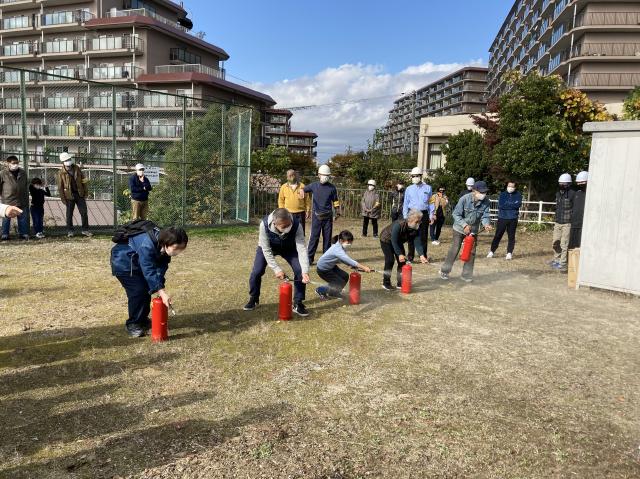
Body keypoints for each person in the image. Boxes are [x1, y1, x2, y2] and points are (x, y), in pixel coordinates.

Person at [111, 223, 188, 337]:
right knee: (138, 292)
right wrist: (161, 292)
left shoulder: (164, 245)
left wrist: (159, 286)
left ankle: (142, 319)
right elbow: (149, 269)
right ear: (166, 244)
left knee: (147, 289)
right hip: (124, 262)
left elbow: (161, 268)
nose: (178, 252)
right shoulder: (147, 244)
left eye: (181, 248)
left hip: (137, 261)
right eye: (176, 248)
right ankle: (133, 324)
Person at [244, 208, 311, 316]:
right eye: (284, 227)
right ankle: (254, 298)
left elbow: (302, 248)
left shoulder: (297, 225)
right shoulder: (264, 225)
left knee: (299, 270)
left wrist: (305, 271)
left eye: (289, 225)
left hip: (289, 248)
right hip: (268, 247)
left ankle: (298, 303)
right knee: (257, 271)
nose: (288, 228)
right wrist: (276, 269)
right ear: (275, 224)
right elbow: (266, 250)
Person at [439, 180, 492, 282]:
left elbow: (485, 215)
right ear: (474, 191)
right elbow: (456, 214)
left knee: (471, 252)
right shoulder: (464, 199)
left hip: (473, 230)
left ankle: (466, 275)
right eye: (481, 192)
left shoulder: (486, 202)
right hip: (459, 228)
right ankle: (444, 271)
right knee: (455, 248)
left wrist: (486, 224)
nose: (483, 194)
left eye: (485, 192)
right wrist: (464, 225)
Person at [379, 209, 428, 290]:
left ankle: (400, 283)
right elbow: (393, 241)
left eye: (420, 221)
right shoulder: (399, 225)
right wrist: (399, 254)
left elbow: (418, 242)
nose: (419, 223)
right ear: (410, 220)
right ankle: (386, 283)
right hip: (386, 240)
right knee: (390, 260)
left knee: (402, 262)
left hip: (398, 242)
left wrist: (421, 255)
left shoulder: (416, 228)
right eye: (417, 221)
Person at [301, 164, 340, 264]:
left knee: (327, 238)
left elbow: (335, 201)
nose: (325, 177)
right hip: (316, 217)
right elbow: (304, 189)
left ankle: (325, 259)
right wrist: (301, 191)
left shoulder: (332, 188)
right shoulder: (314, 185)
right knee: (314, 237)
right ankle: (309, 259)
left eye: (327, 175)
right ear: (318, 175)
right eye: (323, 174)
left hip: (328, 217)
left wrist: (337, 211)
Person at [315, 230, 371, 299]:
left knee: (345, 276)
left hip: (331, 267)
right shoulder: (337, 249)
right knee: (338, 282)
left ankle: (333, 293)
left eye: (351, 242)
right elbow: (348, 260)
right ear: (341, 240)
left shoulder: (341, 246)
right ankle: (320, 290)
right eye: (348, 242)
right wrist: (364, 267)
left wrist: (350, 265)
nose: (350, 244)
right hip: (323, 269)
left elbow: (342, 259)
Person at [56, 152, 92, 237]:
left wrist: (86, 192)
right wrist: (63, 199)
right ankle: (70, 231)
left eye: (69, 159)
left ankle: (85, 230)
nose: (69, 161)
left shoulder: (77, 168)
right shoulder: (60, 173)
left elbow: (84, 181)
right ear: (63, 162)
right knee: (69, 214)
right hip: (69, 196)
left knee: (84, 212)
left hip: (80, 194)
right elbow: (60, 187)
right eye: (66, 160)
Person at [402, 167, 434, 261]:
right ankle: (410, 256)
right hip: (412, 213)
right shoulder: (408, 189)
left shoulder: (428, 188)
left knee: (423, 235)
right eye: (413, 176)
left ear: (421, 176)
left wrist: (431, 215)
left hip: (424, 214)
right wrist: (405, 216)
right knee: (411, 235)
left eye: (416, 176)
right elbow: (405, 203)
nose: (415, 177)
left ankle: (423, 256)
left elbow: (431, 202)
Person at [488, 181, 522, 260]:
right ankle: (492, 251)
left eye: (512, 186)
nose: (510, 188)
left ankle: (509, 252)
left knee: (511, 237)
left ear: (515, 187)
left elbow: (518, 205)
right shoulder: (502, 194)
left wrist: (508, 204)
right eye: (509, 186)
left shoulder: (518, 195)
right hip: (502, 218)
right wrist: (512, 204)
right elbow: (501, 205)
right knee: (498, 235)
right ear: (506, 186)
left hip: (513, 218)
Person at [549, 173, 575, 272]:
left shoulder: (573, 194)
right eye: (561, 183)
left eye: (564, 183)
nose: (562, 185)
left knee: (564, 244)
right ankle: (556, 259)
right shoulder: (558, 193)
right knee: (555, 242)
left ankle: (563, 263)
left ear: (569, 184)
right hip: (557, 222)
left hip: (567, 223)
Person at [0, 155, 29, 240]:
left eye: (17, 163)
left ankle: (23, 234)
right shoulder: (2, 173)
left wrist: (26, 198)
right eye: (13, 163)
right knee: (6, 218)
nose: (15, 164)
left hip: (21, 199)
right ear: (8, 163)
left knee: (22, 217)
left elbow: (25, 185)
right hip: (8, 200)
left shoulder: (23, 173)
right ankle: (5, 234)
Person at [569, 171, 588, 249]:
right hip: (574, 223)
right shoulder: (576, 193)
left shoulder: (591, 194)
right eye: (578, 183)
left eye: (582, 183)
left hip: (583, 224)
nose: (580, 185)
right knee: (572, 245)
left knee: (581, 244)